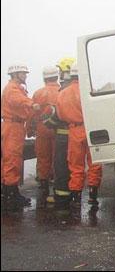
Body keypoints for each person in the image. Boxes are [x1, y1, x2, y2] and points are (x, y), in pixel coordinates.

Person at [56, 63, 102, 209]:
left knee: (75, 165)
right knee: (94, 163)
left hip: (74, 131)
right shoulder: (89, 91)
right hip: (90, 129)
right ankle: (93, 197)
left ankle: (76, 197)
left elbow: (60, 115)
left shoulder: (62, 93)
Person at [1, 63, 40, 211]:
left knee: (12, 158)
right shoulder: (13, 89)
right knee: (13, 158)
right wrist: (32, 104)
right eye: (23, 73)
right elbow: (17, 100)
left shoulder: (16, 88)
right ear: (15, 75)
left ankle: (8, 190)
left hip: (15, 126)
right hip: (13, 126)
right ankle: (12, 194)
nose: (25, 76)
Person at [42, 57, 76, 209]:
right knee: (75, 165)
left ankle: (61, 197)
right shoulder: (81, 88)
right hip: (77, 132)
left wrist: (47, 122)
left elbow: (58, 115)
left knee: (61, 165)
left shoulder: (64, 90)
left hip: (63, 134)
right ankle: (75, 193)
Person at [30, 66, 60, 206]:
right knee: (58, 156)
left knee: (43, 156)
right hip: (58, 129)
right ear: (57, 77)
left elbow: (32, 114)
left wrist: (30, 129)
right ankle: (58, 182)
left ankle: (43, 184)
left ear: (44, 78)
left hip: (42, 128)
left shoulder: (38, 93)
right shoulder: (62, 91)